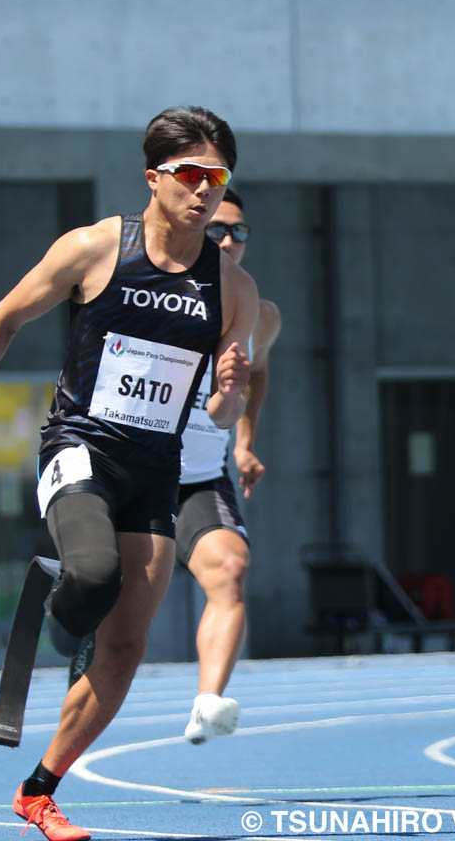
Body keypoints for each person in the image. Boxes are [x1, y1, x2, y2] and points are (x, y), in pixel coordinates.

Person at [0, 106, 257, 840]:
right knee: (96, 574)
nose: (204, 190)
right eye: (190, 174)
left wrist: (230, 390)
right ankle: (64, 595)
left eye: (217, 176)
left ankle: (38, 790)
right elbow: (3, 319)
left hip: (156, 467)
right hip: (80, 447)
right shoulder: (97, 247)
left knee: (127, 646)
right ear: (153, 177)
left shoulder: (232, 290)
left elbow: (223, 412)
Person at [169, 188, 281, 744]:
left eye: (240, 232)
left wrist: (244, 443)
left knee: (230, 570)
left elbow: (256, 372)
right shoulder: (152, 294)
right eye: (218, 229)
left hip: (197, 478)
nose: (230, 241)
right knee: (106, 592)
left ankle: (207, 702)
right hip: (129, 471)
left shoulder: (261, 315)